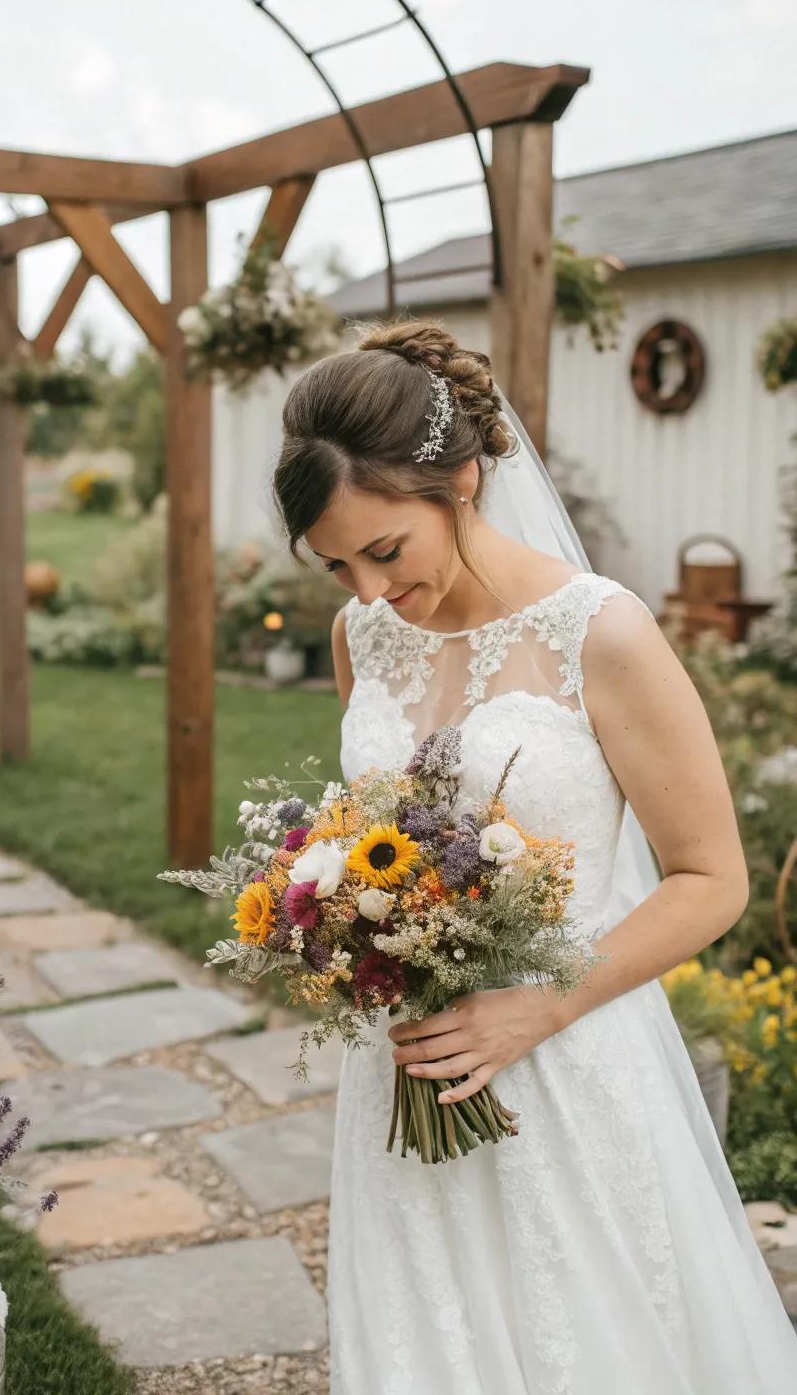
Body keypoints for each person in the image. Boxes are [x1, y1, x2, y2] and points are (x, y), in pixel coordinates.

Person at [271, 319, 797, 1394]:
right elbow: (385, 840)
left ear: (461, 478)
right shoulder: (359, 638)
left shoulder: (600, 633)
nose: (366, 592)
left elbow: (712, 881)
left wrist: (539, 1008)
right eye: (334, 566)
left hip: (571, 1058)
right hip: (410, 1062)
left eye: (384, 551)